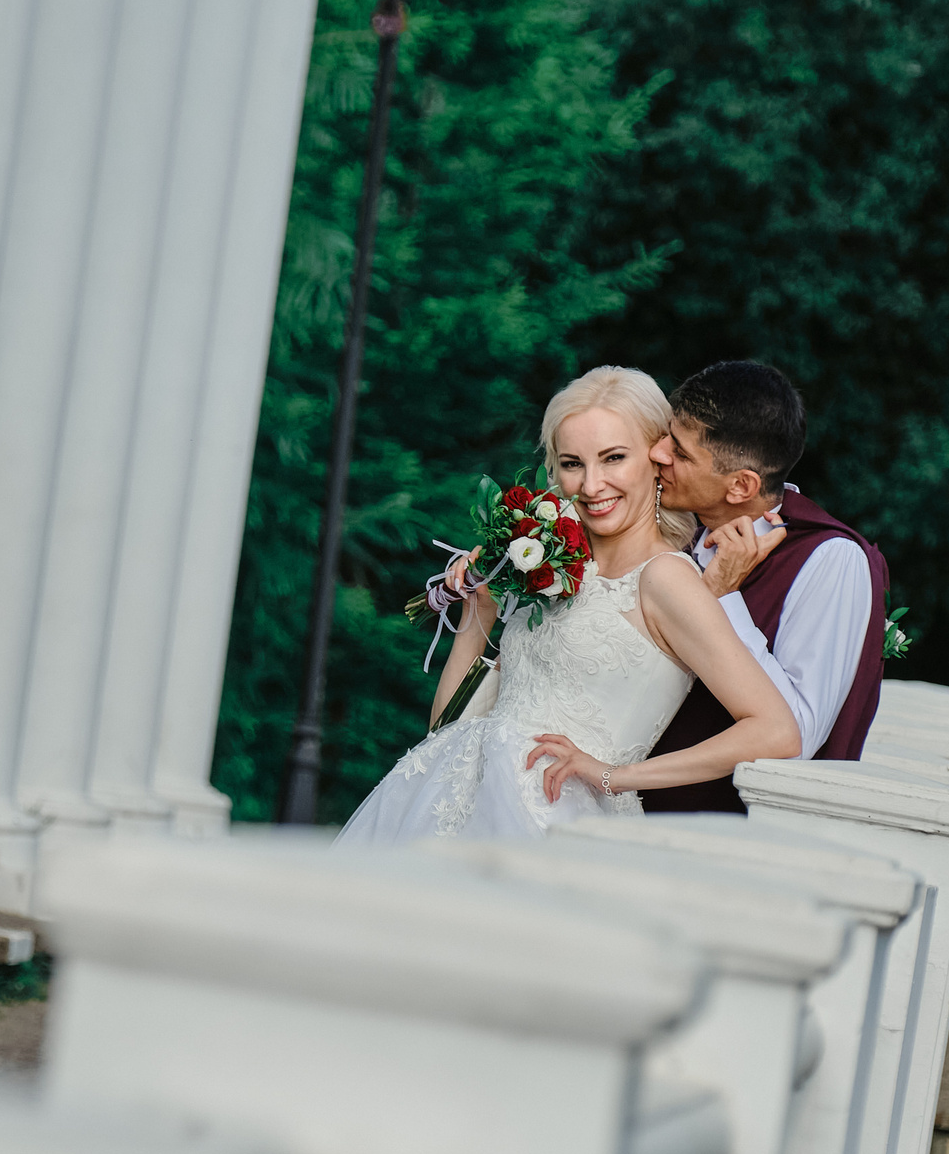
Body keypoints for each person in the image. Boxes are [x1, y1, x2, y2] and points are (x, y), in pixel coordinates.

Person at [338, 366, 799, 843]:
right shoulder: (555, 571)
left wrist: (613, 777)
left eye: (613, 458)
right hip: (444, 809)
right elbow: (445, 731)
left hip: (553, 824)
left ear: (655, 458)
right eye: (573, 463)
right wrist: (479, 610)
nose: (592, 485)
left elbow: (776, 730)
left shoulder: (666, 579)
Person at [642, 359, 887, 813]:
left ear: (741, 486)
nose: (657, 454)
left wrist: (722, 598)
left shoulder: (831, 559)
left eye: (680, 452)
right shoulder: (674, 532)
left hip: (722, 843)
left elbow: (797, 736)